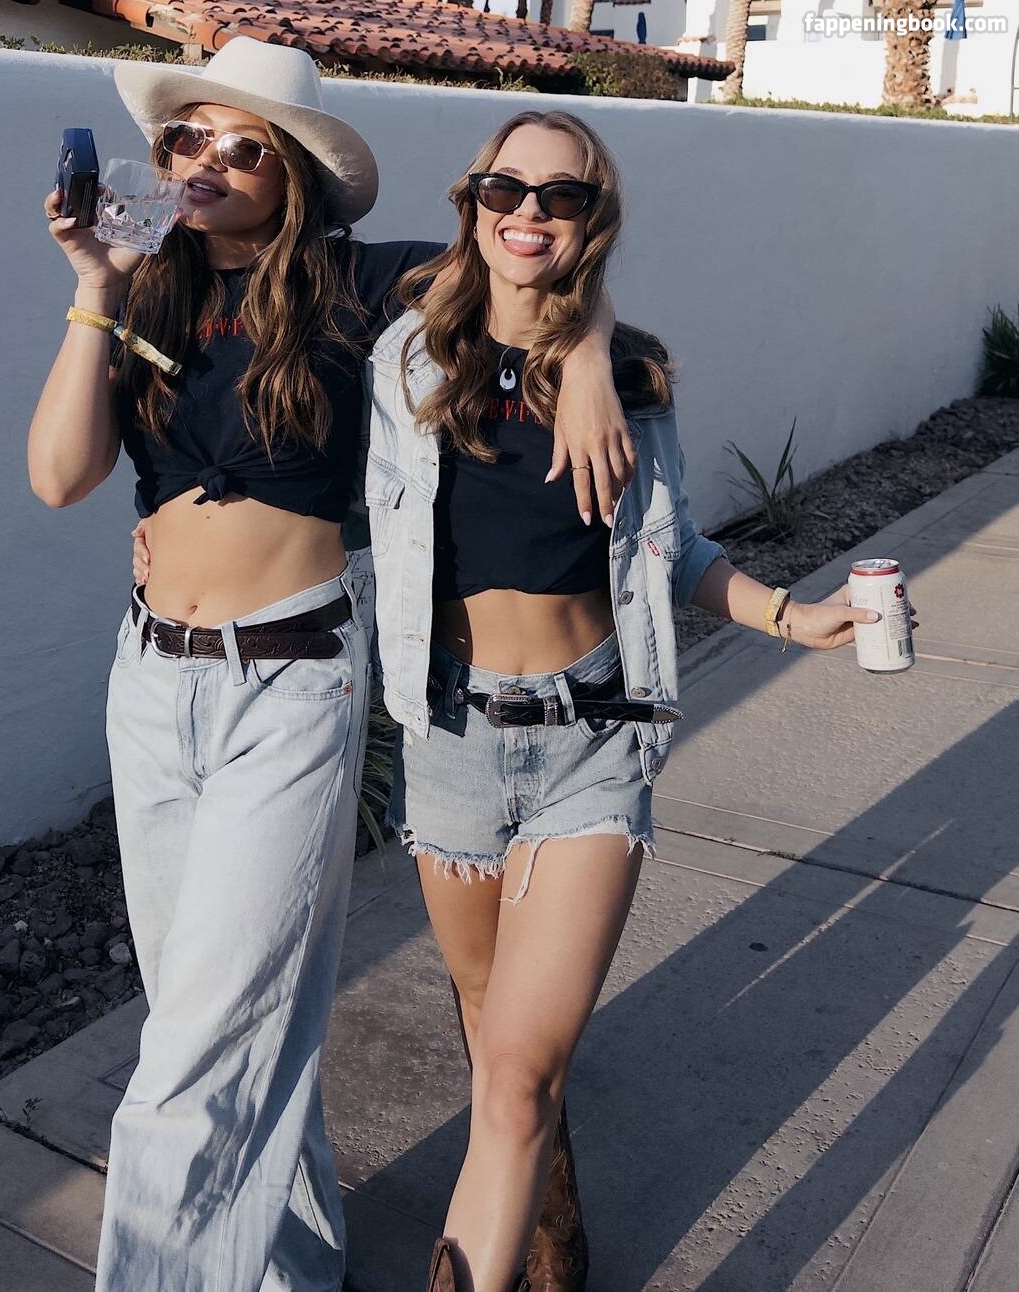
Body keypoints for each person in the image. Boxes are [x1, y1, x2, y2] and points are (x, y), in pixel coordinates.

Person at [31, 41, 630, 1292]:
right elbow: (60, 476)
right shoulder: (142, 285)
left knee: (197, 1057)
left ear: (292, 173)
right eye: (188, 138)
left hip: (291, 677)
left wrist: (585, 362)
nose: (209, 161)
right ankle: (294, 1265)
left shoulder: (359, 281)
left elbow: (532, 268)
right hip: (152, 682)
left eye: (245, 148)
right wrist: (93, 284)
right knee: (222, 1015)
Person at [366, 109, 887, 1292]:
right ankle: (552, 1228)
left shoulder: (636, 374)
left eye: (563, 196)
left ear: (594, 221)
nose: (529, 212)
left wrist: (788, 615)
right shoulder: (402, 359)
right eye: (505, 188)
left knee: (515, 1076)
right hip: (451, 733)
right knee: (492, 1030)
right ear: (472, 201)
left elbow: (673, 544)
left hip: (591, 735)